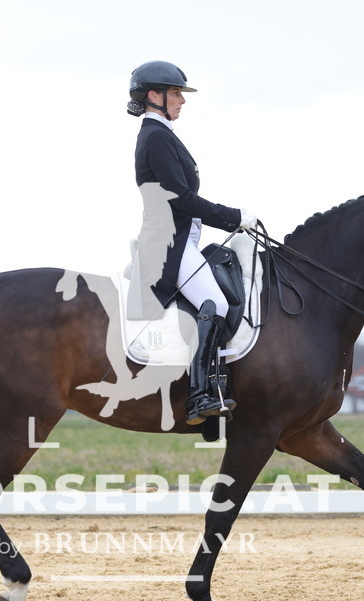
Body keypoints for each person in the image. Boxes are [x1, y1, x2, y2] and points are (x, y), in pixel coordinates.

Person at [127, 60, 259, 426]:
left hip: (181, 239)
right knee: (214, 303)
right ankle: (199, 396)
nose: (182, 101)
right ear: (154, 96)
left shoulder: (162, 134)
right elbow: (181, 199)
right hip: (169, 244)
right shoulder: (155, 136)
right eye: (175, 94)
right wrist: (234, 216)